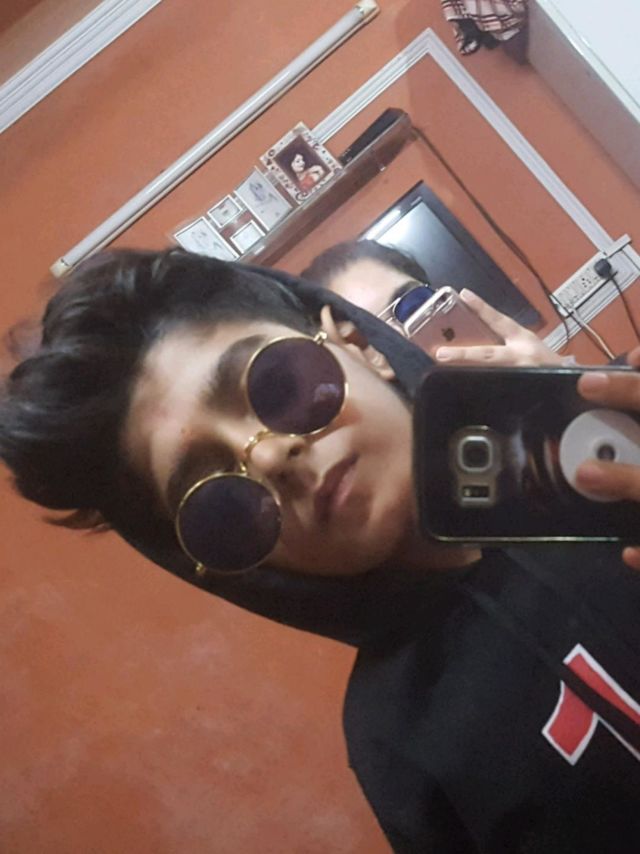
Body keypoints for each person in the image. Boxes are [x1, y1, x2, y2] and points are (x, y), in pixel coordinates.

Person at [1, 249, 639, 853]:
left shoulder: (607, 463)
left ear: (354, 344)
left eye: (278, 385)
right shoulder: (398, 742)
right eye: (217, 497)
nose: (271, 458)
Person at [303, 239, 570, 367]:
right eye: (370, 334)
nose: (403, 338)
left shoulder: (543, 369)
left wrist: (562, 383)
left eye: (411, 306)